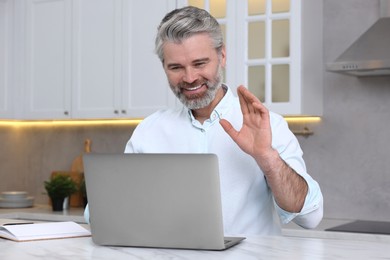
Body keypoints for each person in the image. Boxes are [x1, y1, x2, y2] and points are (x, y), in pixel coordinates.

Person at [85, 6, 323, 235]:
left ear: (222, 56)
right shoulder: (149, 131)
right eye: (176, 67)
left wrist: (267, 157)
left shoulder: (267, 125)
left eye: (200, 63)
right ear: (164, 67)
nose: (189, 78)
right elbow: (100, 213)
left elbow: (310, 217)